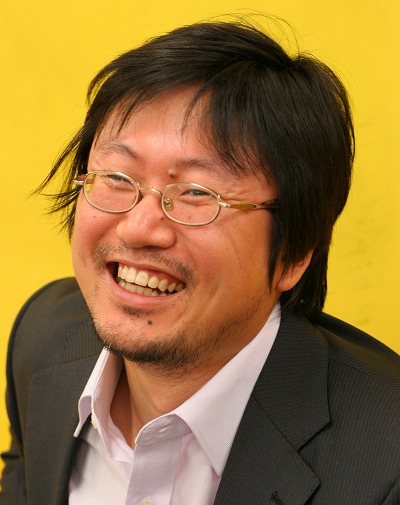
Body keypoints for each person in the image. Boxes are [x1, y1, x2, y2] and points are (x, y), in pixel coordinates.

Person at [1, 18, 400, 505]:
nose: (138, 227)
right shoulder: (41, 341)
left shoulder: (386, 463)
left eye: (197, 193)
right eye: (118, 177)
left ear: (294, 254)